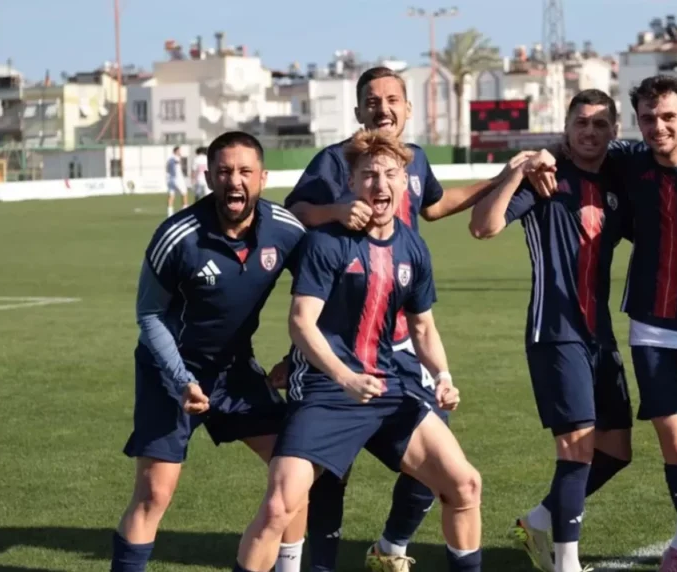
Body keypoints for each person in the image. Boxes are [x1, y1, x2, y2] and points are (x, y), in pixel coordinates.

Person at [284, 66, 518, 572]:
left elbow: (434, 207)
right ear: (358, 111)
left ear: (408, 109)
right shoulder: (336, 160)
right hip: (344, 339)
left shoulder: (414, 160)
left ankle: (391, 546)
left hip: (403, 337)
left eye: (393, 99)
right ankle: (319, 561)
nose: (383, 108)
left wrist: (499, 180)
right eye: (373, 100)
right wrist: (335, 211)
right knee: (328, 473)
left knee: (441, 460)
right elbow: (294, 212)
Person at [528, 75, 677, 572]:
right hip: (652, 330)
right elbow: (581, 140)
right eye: (648, 118)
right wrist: (543, 155)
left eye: (668, 117)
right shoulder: (630, 162)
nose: (658, 126)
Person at [233, 129, 482, 572]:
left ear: (405, 182)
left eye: (389, 174)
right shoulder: (326, 242)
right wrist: (344, 377)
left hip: (386, 388)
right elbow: (300, 322)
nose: (379, 184)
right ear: (351, 182)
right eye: (368, 175)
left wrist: (443, 377)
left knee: (465, 485)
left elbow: (423, 327)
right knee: (278, 506)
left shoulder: (413, 247)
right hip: (326, 392)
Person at [111, 131, 308, 572]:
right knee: (154, 493)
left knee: (294, 473)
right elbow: (149, 316)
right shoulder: (178, 236)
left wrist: (295, 358)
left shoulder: (286, 230)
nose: (234, 181)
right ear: (208, 177)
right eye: (224, 171)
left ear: (262, 177)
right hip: (170, 375)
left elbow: (319, 294)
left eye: (245, 171)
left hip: (235, 371)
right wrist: (182, 380)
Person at [469, 89, 634, 572]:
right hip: (555, 330)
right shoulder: (544, 178)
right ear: (566, 128)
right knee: (577, 447)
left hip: (600, 334)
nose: (589, 132)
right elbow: (483, 226)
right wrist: (518, 170)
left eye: (600, 124)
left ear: (613, 131)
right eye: (581, 122)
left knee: (617, 449)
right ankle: (567, 562)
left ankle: (539, 519)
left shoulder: (617, 183)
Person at [166, 146, 188, 217]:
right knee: (184, 194)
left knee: (171, 195)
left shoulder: (169, 159)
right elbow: (177, 162)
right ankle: (185, 210)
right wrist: (180, 158)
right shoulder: (175, 158)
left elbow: (167, 168)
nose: (180, 152)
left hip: (170, 179)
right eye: (179, 151)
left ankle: (170, 213)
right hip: (178, 179)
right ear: (176, 151)